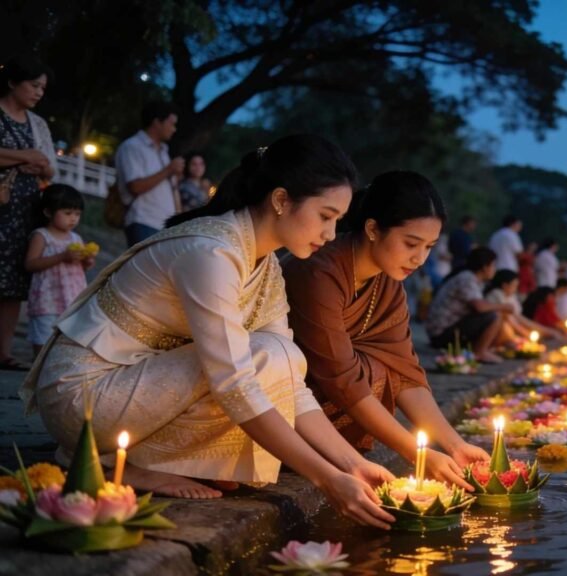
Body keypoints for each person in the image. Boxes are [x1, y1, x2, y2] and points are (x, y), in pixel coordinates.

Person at [21, 134, 395, 529]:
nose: (331, 233)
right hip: (81, 399)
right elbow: (233, 381)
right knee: (263, 357)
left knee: (284, 357)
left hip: (128, 394)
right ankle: (119, 461)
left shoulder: (264, 265)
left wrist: (352, 465)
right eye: (325, 215)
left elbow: (290, 381)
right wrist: (327, 479)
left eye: (338, 220)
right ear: (282, 200)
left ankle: (133, 456)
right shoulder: (211, 252)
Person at [282, 171, 488, 490]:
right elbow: (341, 377)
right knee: (370, 369)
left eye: (430, 247)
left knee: (382, 366)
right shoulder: (319, 272)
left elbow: (404, 371)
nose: (419, 259)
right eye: (411, 243)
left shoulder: (387, 281)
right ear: (373, 228)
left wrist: (454, 445)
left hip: (332, 391)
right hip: (284, 399)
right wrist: (417, 455)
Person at [0, 55, 57, 371]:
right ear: (13, 83)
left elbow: (49, 166)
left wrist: (37, 163)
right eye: (34, 85)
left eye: (42, 88)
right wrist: (25, 157)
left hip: (23, 208)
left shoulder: (37, 125)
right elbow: (33, 158)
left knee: (13, 283)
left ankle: (3, 351)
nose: (38, 93)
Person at [24, 184, 94, 355]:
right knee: (44, 340)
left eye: (77, 214)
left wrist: (87, 260)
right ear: (48, 212)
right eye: (68, 213)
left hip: (71, 298)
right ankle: (39, 372)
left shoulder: (76, 238)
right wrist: (61, 257)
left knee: (68, 341)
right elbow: (30, 264)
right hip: (46, 299)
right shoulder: (41, 236)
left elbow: (82, 268)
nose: (73, 219)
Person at [115, 101, 185, 246]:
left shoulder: (163, 151)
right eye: (171, 124)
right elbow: (135, 186)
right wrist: (168, 170)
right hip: (143, 220)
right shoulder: (133, 147)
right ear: (157, 122)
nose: (174, 129)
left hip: (164, 225)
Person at [426, 247, 510, 363]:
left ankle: (481, 350)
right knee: (493, 315)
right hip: (440, 334)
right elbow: (479, 306)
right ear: (485, 267)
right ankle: (479, 352)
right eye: (493, 265)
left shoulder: (474, 280)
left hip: (448, 330)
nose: (495, 269)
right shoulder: (467, 278)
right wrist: (504, 306)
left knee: (492, 313)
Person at [485, 269, 561, 341]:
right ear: (505, 285)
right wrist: (526, 334)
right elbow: (509, 319)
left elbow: (520, 318)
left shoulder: (510, 296)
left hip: (511, 327)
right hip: (495, 330)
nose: (516, 289)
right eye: (514, 286)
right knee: (506, 327)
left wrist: (548, 331)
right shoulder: (496, 294)